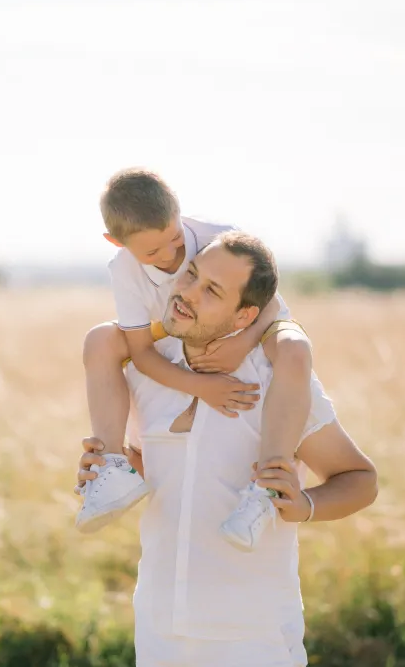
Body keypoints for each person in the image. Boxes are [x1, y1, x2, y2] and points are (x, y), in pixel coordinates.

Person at [76, 231, 378, 667]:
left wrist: (304, 505)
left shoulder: (276, 381)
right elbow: (155, 469)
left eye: (212, 290)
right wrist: (109, 466)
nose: (187, 292)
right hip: (160, 625)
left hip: (252, 634)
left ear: (245, 316)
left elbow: (359, 479)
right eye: (191, 275)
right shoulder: (148, 373)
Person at [77, 167, 318, 551]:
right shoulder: (123, 270)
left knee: (293, 348)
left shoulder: (217, 237)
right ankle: (111, 465)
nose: (169, 255)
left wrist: (242, 343)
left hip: (253, 323)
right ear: (116, 242)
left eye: (174, 238)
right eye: (152, 253)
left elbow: (270, 304)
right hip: (175, 326)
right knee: (101, 338)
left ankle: (266, 488)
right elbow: (140, 350)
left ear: (179, 211)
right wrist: (201, 386)